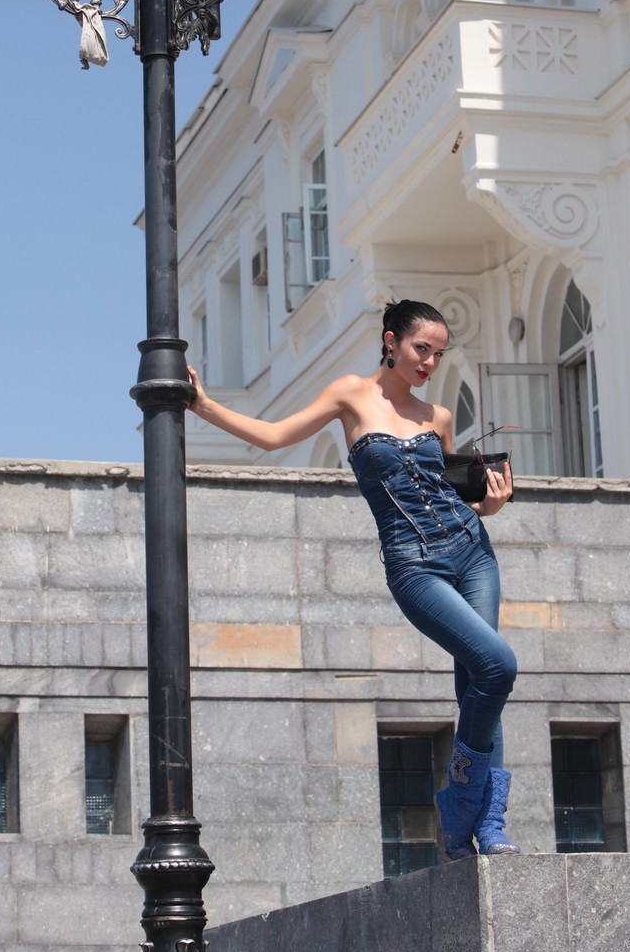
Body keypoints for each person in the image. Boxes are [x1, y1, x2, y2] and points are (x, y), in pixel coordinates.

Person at [187, 297, 520, 859]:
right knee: (498, 664)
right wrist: (202, 405)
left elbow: (447, 492)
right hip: (415, 566)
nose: (429, 363)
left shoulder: (437, 417)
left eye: (438, 355)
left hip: (473, 552)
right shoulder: (350, 394)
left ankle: (488, 825)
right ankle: (461, 808)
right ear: (391, 340)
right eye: (421, 349)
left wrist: (490, 506)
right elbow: (272, 436)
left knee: (478, 685)